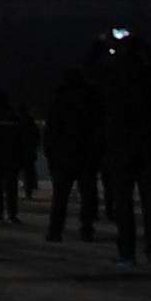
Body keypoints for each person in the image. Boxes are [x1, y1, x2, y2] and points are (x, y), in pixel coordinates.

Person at [96, 27, 151, 269]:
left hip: (119, 144)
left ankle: (127, 252)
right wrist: (140, 41)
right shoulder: (146, 77)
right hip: (146, 142)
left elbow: (88, 67)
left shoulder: (111, 77)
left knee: (123, 202)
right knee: (150, 200)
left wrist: (100, 44)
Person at [43, 58, 103, 243]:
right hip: (86, 154)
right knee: (88, 195)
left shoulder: (59, 99)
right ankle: (87, 228)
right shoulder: (91, 98)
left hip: (64, 155)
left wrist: (51, 155)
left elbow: (51, 131)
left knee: (60, 196)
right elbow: (98, 127)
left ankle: (55, 230)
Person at [0, 90, 34, 225]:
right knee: (11, 187)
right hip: (12, 157)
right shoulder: (14, 118)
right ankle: (12, 214)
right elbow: (22, 139)